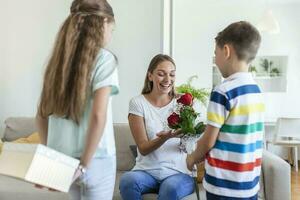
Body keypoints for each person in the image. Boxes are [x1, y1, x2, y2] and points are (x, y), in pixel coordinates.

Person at [36, 0, 119, 199]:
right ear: (103, 23)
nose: (110, 35)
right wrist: (84, 165)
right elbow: (98, 116)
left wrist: (50, 156)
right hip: (97, 159)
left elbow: (40, 115)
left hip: (63, 160)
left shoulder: (57, 62)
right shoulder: (105, 59)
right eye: (111, 29)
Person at [186, 21, 264, 200]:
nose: (215, 59)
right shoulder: (256, 91)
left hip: (222, 186)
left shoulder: (223, 91)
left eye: (216, 53)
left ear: (226, 51)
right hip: (249, 186)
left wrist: (192, 158)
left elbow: (208, 141)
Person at [119, 54, 195, 200]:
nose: (167, 80)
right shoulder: (137, 103)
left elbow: (191, 143)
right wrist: (166, 137)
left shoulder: (183, 102)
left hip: (178, 173)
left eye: (172, 74)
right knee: (128, 181)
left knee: (170, 188)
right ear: (150, 76)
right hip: (146, 173)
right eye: (161, 74)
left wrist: (191, 133)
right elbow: (143, 148)